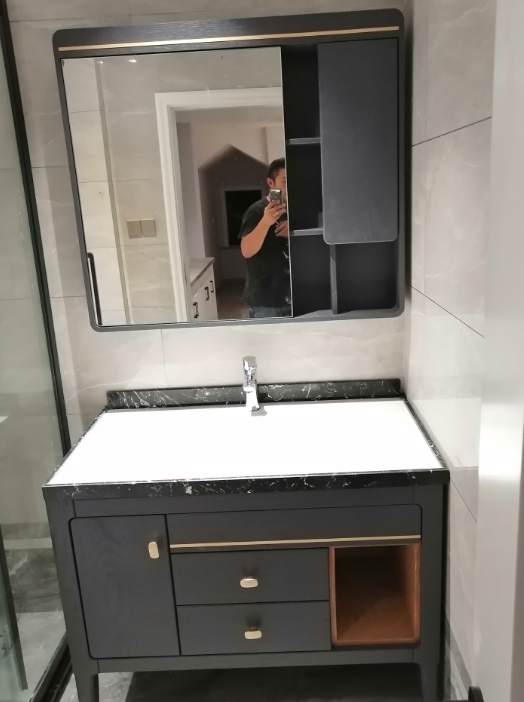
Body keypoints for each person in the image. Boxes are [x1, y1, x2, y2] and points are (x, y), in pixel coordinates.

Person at [239, 158, 291, 318]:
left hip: (292, 295)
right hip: (265, 301)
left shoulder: (296, 210)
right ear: (270, 182)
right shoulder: (256, 211)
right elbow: (246, 251)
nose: (290, 186)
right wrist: (265, 222)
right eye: (285, 181)